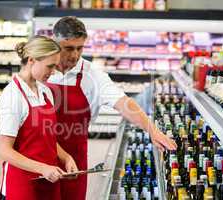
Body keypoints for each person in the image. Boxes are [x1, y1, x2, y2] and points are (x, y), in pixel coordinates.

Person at [47, 16, 177, 200]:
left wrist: (152, 130)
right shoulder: (42, 69)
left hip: (74, 159)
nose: (75, 55)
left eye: (80, 48)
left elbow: (124, 102)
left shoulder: (92, 75)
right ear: (55, 42)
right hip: (39, 153)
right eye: (69, 48)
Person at [0, 36, 78, 200]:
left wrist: (66, 157)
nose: (53, 71)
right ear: (32, 60)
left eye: (55, 66)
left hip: (47, 182)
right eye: (50, 66)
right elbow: (5, 151)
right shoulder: (12, 96)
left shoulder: (45, 91)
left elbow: (46, 138)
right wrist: (43, 168)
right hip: (21, 185)